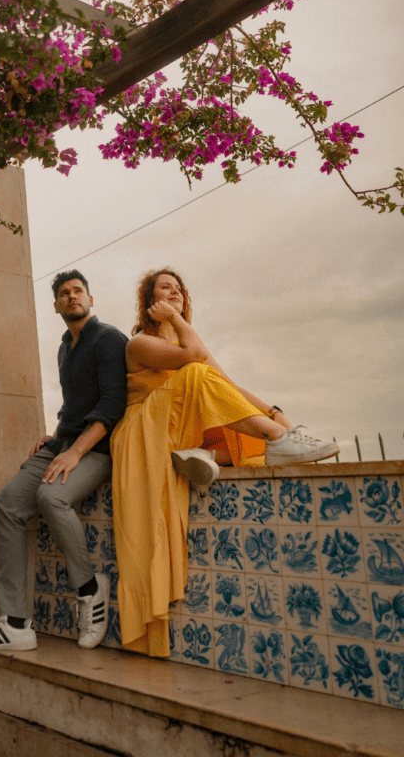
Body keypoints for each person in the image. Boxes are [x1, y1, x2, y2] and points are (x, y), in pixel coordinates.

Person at [111, 268, 338, 658]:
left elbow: (226, 383)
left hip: (176, 424)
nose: (176, 293)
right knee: (199, 375)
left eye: (180, 290)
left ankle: (211, 453)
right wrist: (176, 318)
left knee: (224, 403)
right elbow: (196, 360)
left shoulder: (186, 341)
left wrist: (274, 411)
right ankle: (263, 444)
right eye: (166, 288)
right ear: (149, 302)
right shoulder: (139, 343)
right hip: (143, 431)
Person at [0, 270, 127, 656]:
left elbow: (110, 407)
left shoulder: (108, 339)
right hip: (64, 443)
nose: (72, 297)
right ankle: (17, 624)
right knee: (6, 505)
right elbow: (74, 405)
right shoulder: (65, 348)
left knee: (52, 498)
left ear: (90, 298)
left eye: (78, 291)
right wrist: (56, 438)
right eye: (64, 294)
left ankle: (89, 589)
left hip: (97, 450)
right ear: (55, 306)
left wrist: (74, 451)